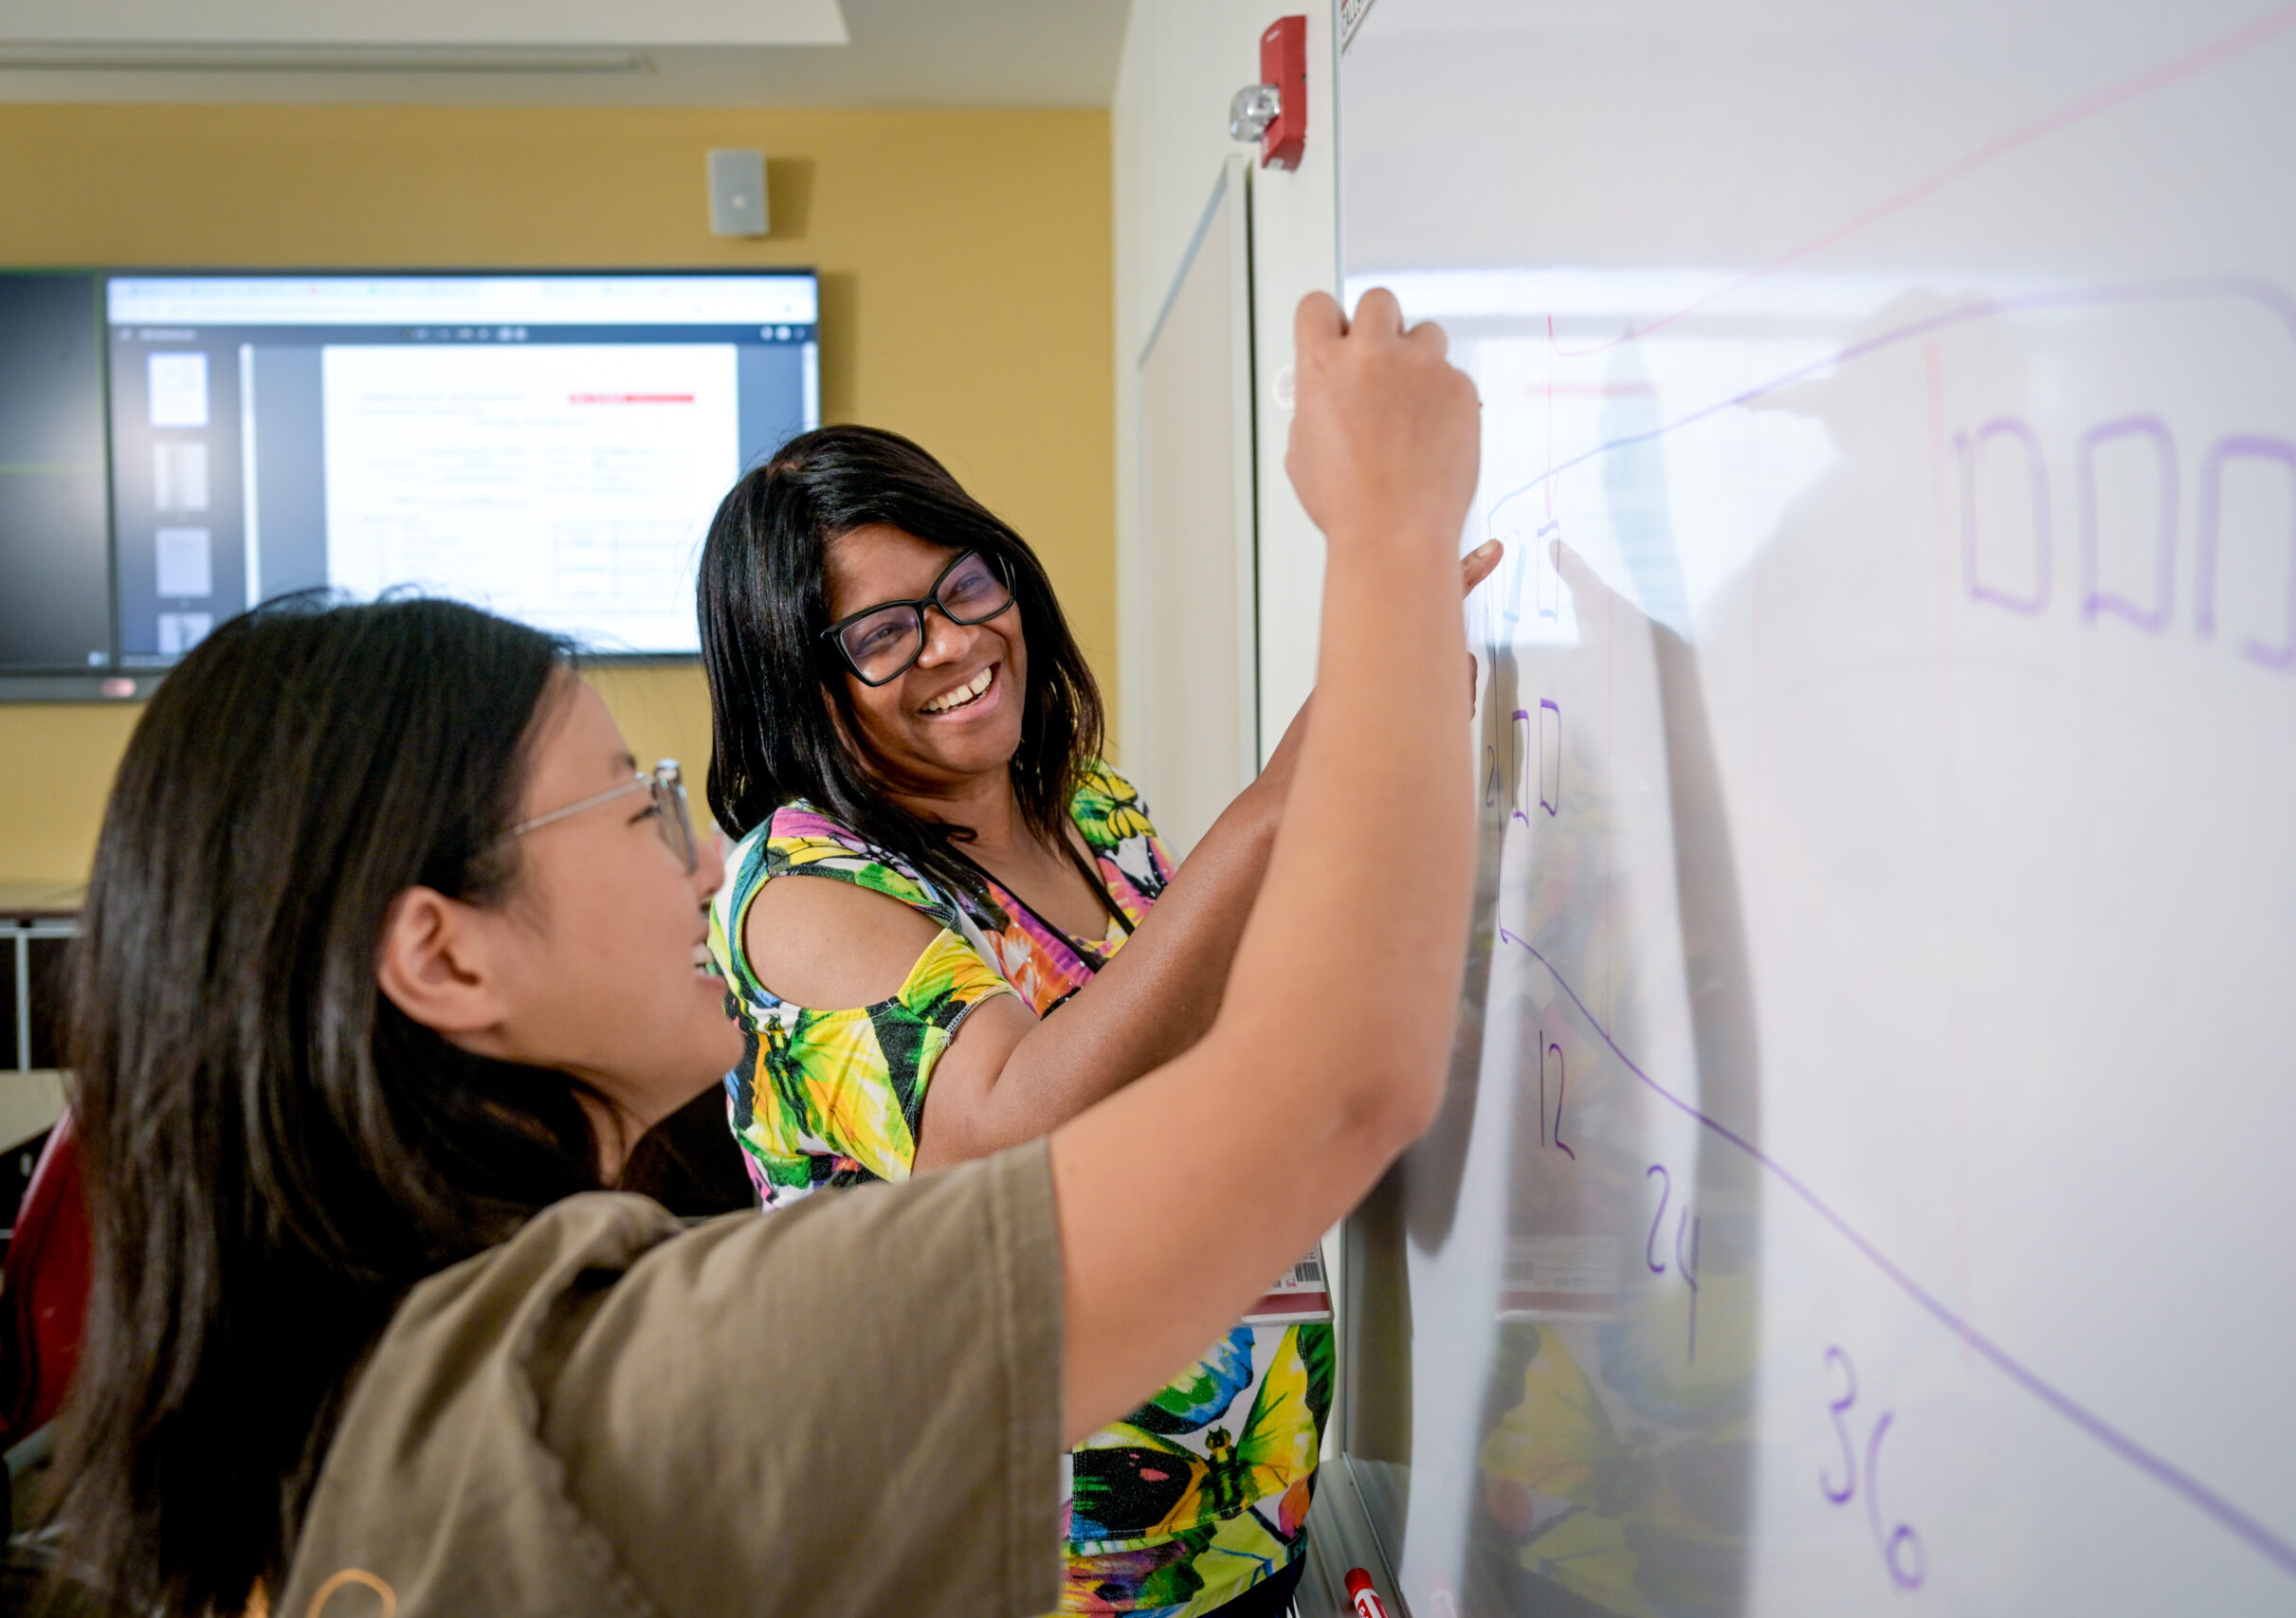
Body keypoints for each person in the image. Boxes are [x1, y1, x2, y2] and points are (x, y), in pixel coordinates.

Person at [46, 287, 1479, 1618]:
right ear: (446, 958)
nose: (705, 854)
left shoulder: (401, 1380)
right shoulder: (623, 1381)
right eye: (628, 798)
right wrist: (1387, 547)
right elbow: (1326, 1082)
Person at [696, 426, 1497, 1615]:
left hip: (1237, 1539)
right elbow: (1012, 1133)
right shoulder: (805, 893)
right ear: (794, 680)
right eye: (882, 633)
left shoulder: (1089, 807)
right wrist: (1280, 803)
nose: (958, 642)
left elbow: (1229, 1010)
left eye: (965, 581)